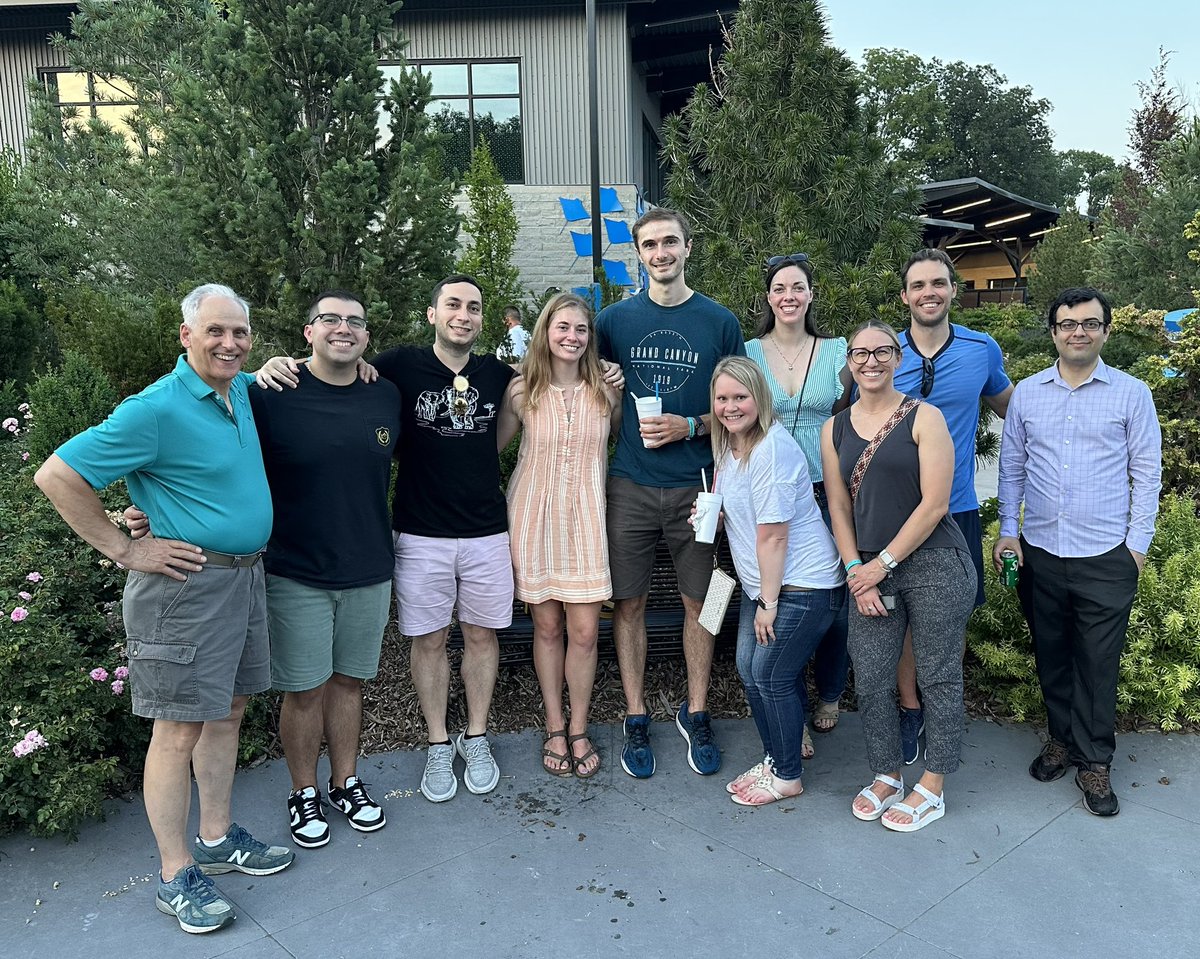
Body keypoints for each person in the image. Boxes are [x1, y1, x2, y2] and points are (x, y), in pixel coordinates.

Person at [34, 284, 293, 935]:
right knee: (175, 731)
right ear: (185, 335)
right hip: (184, 590)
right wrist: (126, 548)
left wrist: (269, 370)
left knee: (227, 712)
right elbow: (57, 474)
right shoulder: (154, 408)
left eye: (239, 332)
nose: (229, 342)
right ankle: (176, 875)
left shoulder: (235, 392)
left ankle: (214, 837)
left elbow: (239, 393)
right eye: (215, 331)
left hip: (242, 579)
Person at [994, 287, 1161, 817]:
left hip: (1106, 554)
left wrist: (1135, 548)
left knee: (1097, 663)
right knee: (1053, 654)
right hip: (1041, 550)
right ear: (1054, 333)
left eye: (1090, 323)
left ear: (1105, 331)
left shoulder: (1132, 393)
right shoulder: (1028, 394)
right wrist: (1007, 530)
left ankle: (1095, 761)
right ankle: (1061, 740)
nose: (1078, 332)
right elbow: (1012, 466)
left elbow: (1147, 474)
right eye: (1068, 324)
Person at [595, 207, 746, 779]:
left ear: (688, 248)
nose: (661, 253)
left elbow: (741, 407)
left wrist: (693, 426)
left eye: (670, 243)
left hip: (696, 488)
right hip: (629, 485)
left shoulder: (719, 322)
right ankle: (636, 714)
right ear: (638, 253)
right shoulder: (613, 321)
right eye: (650, 245)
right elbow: (576, 382)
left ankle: (697, 708)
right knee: (628, 604)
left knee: (700, 604)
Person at [252, 291, 400, 845]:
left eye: (355, 322)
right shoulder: (272, 391)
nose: (344, 328)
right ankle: (303, 791)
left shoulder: (384, 393)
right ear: (308, 331)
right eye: (331, 319)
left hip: (368, 568)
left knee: (348, 684)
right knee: (304, 690)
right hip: (296, 570)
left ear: (366, 336)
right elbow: (215, 444)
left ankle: (345, 782)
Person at [821, 321, 976, 832]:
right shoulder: (836, 427)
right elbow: (838, 505)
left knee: (936, 674)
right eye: (861, 353)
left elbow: (934, 504)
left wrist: (879, 567)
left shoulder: (923, 417)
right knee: (870, 674)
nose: (871, 361)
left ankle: (933, 783)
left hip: (933, 562)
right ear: (849, 360)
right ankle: (887, 774)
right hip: (866, 567)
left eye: (883, 351)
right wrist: (853, 569)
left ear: (898, 357)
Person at [890, 248, 1012, 764]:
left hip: (955, 509)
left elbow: (1019, 413)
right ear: (905, 296)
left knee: (948, 618)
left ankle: (942, 708)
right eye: (918, 285)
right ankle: (909, 707)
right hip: (893, 512)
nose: (928, 293)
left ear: (953, 289)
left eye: (938, 283)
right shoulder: (882, 353)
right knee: (898, 621)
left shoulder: (982, 350)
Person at [706, 357, 845, 806]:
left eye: (740, 397)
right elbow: (749, 516)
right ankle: (775, 757)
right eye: (722, 398)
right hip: (762, 583)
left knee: (771, 672)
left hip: (801, 583)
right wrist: (719, 517)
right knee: (750, 670)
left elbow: (774, 533)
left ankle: (787, 774)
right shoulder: (730, 446)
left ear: (759, 398)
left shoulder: (772, 447)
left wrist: (768, 602)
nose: (730, 407)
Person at [499, 293, 622, 778]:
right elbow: (487, 450)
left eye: (581, 329)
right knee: (547, 628)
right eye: (562, 327)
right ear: (545, 332)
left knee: (586, 632)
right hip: (533, 515)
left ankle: (579, 727)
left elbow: (625, 443)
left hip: (588, 516)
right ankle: (554, 725)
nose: (572, 337)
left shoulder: (606, 390)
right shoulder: (521, 389)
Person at [745, 253, 853, 753]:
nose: (788, 296)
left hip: (825, 489)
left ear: (811, 295)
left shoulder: (837, 352)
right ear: (768, 297)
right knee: (776, 595)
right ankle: (788, 707)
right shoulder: (748, 353)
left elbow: (853, 418)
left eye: (798, 287)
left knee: (831, 604)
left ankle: (829, 693)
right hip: (768, 493)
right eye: (779, 288)